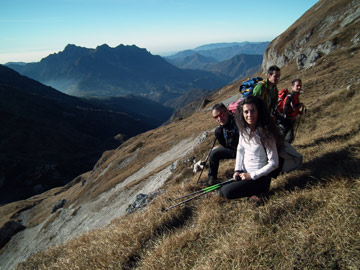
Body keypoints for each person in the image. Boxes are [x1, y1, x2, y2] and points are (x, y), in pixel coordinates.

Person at [219, 96, 283, 200]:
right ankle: (252, 191)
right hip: (245, 174)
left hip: (260, 177)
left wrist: (252, 175)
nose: (249, 115)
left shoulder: (267, 133)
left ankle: (261, 191)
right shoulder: (244, 129)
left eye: (253, 111)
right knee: (221, 190)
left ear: (259, 111)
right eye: (246, 112)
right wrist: (237, 170)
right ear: (242, 113)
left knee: (226, 192)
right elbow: (240, 149)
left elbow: (274, 163)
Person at [201, 103, 239, 186]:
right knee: (214, 153)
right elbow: (226, 145)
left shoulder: (238, 122)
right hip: (233, 149)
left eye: (221, 114)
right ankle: (212, 179)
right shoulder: (222, 127)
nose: (219, 118)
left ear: (227, 112)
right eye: (215, 117)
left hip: (244, 151)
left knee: (214, 153)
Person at [276, 78, 306, 143]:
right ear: (292, 87)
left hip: (290, 119)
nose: (299, 87)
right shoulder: (291, 96)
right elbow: (293, 108)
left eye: (300, 86)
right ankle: (282, 150)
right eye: (297, 86)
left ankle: (282, 149)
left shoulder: (295, 95)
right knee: (288, 137)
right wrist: (300, 105)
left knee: (286, 136)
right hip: (287, 120)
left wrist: (299, 111)